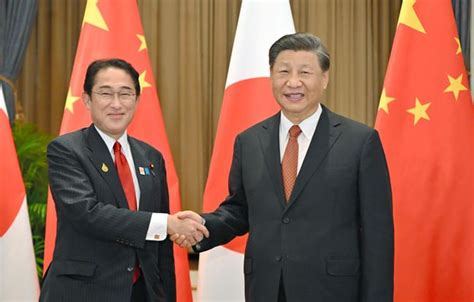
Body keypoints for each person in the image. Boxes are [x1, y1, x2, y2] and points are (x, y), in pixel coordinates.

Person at [176, 33, 394, 301]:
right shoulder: (249, 141)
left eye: (305, 72)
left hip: (334, 291)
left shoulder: (359, 141)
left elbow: (377, 233)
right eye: (283, 71)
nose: (293, 82)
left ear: (324, 78)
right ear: (271, 77)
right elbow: (239, 210)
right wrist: (203, 225)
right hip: (267, 288)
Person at [39, 58, 208, 302]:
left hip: (141, 292)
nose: (116, 104)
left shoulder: (151, 157)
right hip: (83, 292)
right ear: (87, 99)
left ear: (137, 100)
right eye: (106, 93)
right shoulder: (66, 150)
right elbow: (87, 214)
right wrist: (166, 224)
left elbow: (161, 249)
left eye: (125, 93)